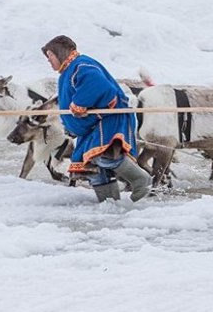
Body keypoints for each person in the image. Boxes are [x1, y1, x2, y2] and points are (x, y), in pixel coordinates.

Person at [41, 35, 152, 202]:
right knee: (91, 168)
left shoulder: (81, 66)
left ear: (59, 52)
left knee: (103, 157)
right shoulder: (70, 69)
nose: (49, 61)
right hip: (93, 127)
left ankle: (140, 179)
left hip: (109, 120)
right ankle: (110, 203)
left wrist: (79, 104)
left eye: (50, 55)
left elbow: (99, 85)